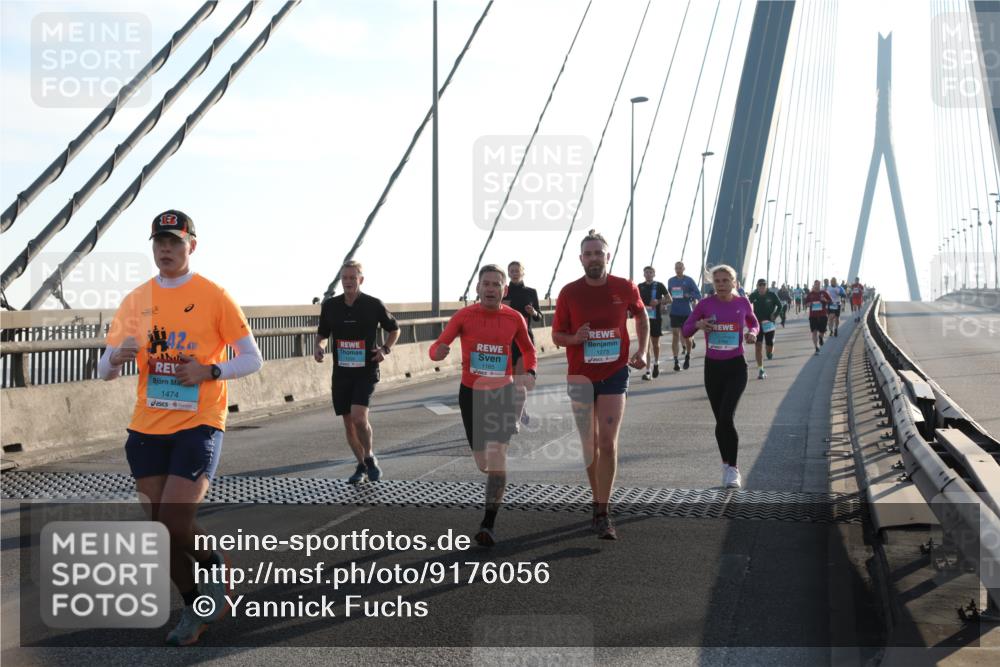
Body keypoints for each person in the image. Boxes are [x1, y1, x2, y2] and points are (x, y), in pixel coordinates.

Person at [99, 210, 264, 646]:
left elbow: (252, 358)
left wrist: (209, 371)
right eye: (159, 242)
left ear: (192, 245)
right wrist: (117, 357)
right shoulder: (136, 299)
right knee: (158, 532)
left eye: (174, 241)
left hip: (199, 422)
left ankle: (214, 567)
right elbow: (103, 368)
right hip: (147, 426)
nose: (165, 249)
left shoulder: (214, 296)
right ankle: (194, 606)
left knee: (174, 520)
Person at [431, 264, 537, 547]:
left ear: (504, 290)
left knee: (498, 457)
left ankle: (488, 524)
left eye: (496, 284)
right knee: (483, 463)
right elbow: (437, 346)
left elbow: (527, 349)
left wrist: (531, 370)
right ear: (477, 289)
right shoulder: (464, 316)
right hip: (471, 393)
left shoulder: (514, 318)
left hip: (502, 392)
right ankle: (491, 484)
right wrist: (437, 352)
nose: (491, 288)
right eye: (486, 284)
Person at [552, 230, 648, 539]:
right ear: (581, 259)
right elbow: (557, 336)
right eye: (588, 254)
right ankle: (597, 500)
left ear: (608, 257)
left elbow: (642, 316)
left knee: (607, 442)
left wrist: (642, 350)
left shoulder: (624, 287)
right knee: (590, 444)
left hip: (614, 372)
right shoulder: (569, 293)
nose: (594, 258)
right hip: (580, 376)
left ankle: (603, 511)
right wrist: (575, 338)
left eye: (599, 253)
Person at [315, 261, 400, 484]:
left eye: (353, 278)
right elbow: (323, 333)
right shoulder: (331, 306)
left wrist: (385, 349)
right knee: (348, 423)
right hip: (342, 372)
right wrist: (320, 347)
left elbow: (394, 329)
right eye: (345, 278)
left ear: (360, 280)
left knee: (358, 417)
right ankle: (361, 465)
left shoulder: (373, 304)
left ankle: (369, 456)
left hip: (366, 369)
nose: (348, 282)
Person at [681, 265, 759, 489]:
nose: (722, 284)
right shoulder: (705, 304)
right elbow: (686, 330)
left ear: (734, 282)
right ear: (712, 283)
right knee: (720, 421)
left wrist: (752, 333)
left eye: (726, 280)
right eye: (718, 281)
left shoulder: (742, 303)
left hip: (736, 367)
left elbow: (753, 323)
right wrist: (698, 324)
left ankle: (733, 469)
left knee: (726, 416)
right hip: (713, 368)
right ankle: (725, 463)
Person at [502, 261, 542, 424]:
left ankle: (517, 416)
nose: (514, 273)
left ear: (523, 272)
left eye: (517, 270)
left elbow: (539, 317)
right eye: (511, 271)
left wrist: (533, 312)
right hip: (506, 341)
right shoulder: (503, 291)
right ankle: (520, 409)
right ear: (508, 273)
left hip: (525, 340)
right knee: (509, 381)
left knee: (519, 380)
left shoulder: (531, 292)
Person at [666, 261, 701, 371]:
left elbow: (698, 294)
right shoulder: (671, 281)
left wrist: (689, 295)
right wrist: (664, 300)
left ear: (684, 268)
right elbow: (669, 295)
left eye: (680, 267)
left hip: (686, 312)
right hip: (674, 311)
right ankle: (676, 361)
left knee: (687, 336)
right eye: (676, 267)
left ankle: (688, 356)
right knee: (675, 335)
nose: (678, 269)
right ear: (674, 269)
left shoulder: (689, 280)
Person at [637, 266, 668, 380]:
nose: (648, 274)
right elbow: (636, 301)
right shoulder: (640, 286)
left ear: (654, 274)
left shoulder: (659, 285)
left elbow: (669, 299)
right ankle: (648, 371)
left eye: (651, 272)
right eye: (646, 272)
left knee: (655, 344)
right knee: (646, 345)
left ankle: (656, 363)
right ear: (644, 274)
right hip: (644, 319)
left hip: (656, 318)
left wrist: (659, 301)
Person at [748, 278, 782, 379]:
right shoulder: (753, 296)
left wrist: (775, 315)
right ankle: (761, 370)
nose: (762, 287)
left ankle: (770, 350)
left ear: (766, 286)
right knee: (758, 346)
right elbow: (746, 307)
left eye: (764, 285)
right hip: (757, 324)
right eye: (760, 285)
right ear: (757, 286)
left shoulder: (771, 295)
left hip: (769, 324)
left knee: (769, 348)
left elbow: (779, 306)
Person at [803, 280, 833, 354]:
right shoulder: (810, 294)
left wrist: (825, 300)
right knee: (814, 332)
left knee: (822, 331)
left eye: (818, 285)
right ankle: (816, 348)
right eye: (815, 284)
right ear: (814, 285)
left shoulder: (824, 293)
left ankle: (821, 337)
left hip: (822, 315)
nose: (817, 286)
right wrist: (808, 304)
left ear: (820, 285)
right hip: (813, 316)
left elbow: (830, 301)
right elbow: (806, 303)